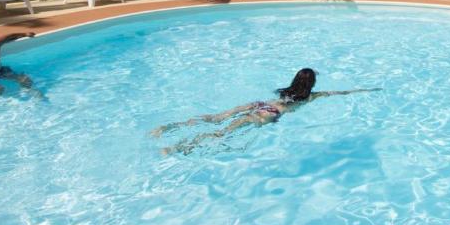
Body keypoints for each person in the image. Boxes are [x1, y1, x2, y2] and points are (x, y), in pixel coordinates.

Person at [153, 68, 380, 155]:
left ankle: (167, 128)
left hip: (259, 104)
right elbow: (340, 93)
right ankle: (175, 148)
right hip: (269, 114)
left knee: (215, 119)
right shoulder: (311, 96)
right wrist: (365, 89)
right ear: (311, 84)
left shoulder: (284, 90)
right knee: (222, 134)